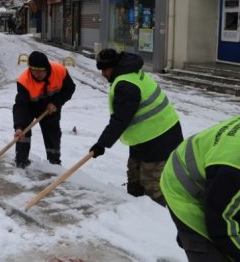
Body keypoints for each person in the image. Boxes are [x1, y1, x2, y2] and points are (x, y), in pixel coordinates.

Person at [89, 48, 183, 206]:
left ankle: (156, 220)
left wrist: (101, 144)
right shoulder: (127, 73)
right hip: (144, 137)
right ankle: (133, 210)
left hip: (160, 138)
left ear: (114, 67)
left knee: (152, 185)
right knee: (134, 177)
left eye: (104, 69)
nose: (102, 74)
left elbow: (120, 119)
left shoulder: (126, 86)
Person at [159, 115, 240, 262]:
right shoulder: (234, 166)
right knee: (212, 252)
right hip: (183, 187)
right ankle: (194, 243)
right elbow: (221, 224)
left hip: (216, 177)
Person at [12, 51, 76, 168]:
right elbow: (21, 106)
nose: (37, 74)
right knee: (23, 133)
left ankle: (54, 164)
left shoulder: (60, 71)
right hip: (30, 107)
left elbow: (69, 89)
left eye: (41, 71)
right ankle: (21, 162)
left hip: (50, 107)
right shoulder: (24, 81)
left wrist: (56, 103)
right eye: (34, 71)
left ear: (47, 68)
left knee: (52, 133)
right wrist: (19, 126)